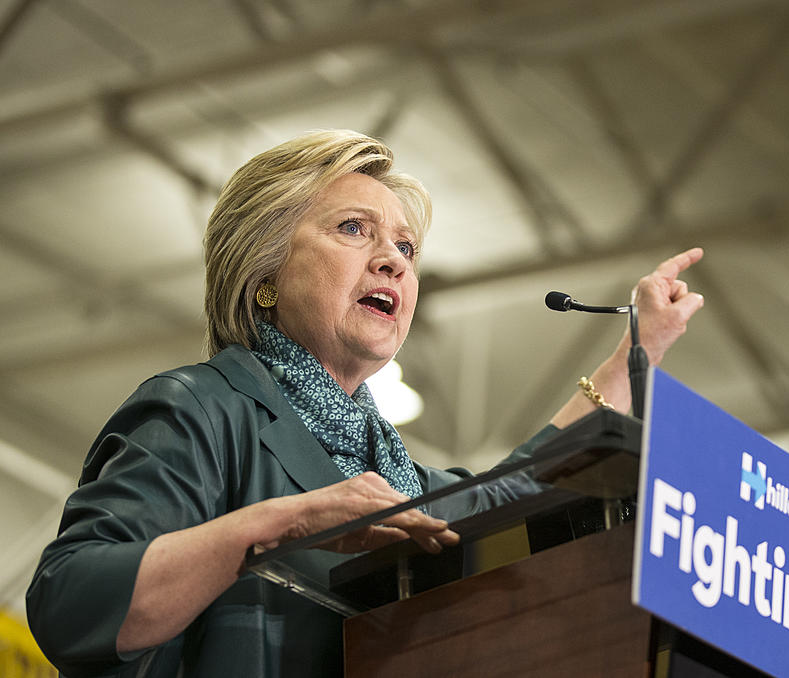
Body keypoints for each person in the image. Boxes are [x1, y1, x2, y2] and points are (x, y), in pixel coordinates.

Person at [26, 130, 704, 677]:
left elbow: (524, 485)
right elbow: (70, 600)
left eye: (406, 247)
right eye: (355, 229)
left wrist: (634, 354)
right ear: (263, 274)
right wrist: (285, 522)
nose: (395, 261)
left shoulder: (399, 480)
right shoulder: (198, 410)